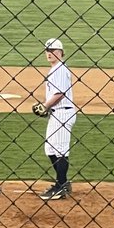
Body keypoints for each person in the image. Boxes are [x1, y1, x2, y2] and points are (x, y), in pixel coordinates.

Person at [38, 37, 77, 201]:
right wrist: (47, 107)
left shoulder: (60, 69)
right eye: (47, 50)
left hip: (62, 112)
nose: (49, 53)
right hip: (57, 113)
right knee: (50, 149)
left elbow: (59, 93)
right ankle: (63, 182)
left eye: (53, 50)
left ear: (60, 52)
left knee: (60, 150)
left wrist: (45, 106)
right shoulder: (55, 69)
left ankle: (60, 186)